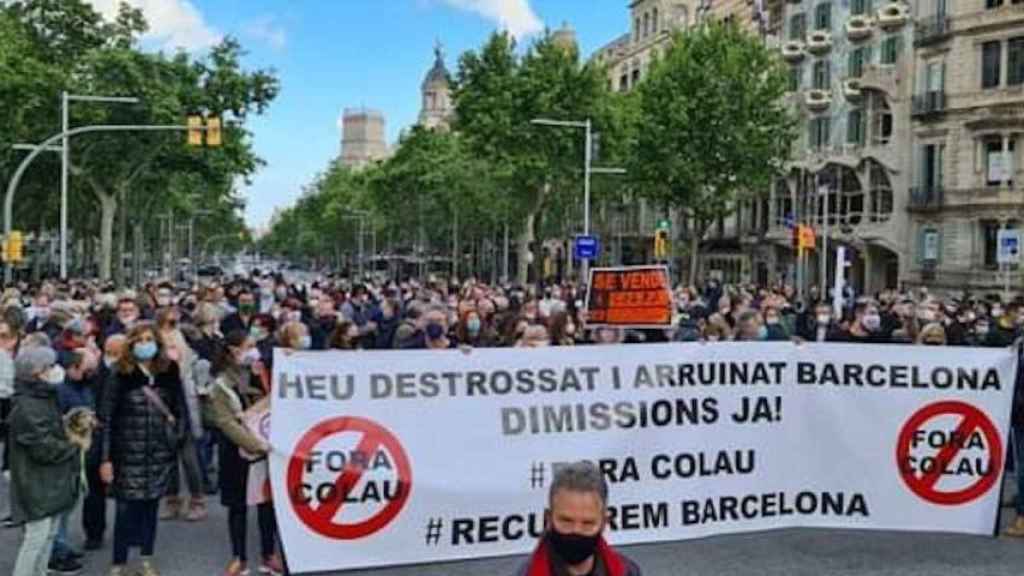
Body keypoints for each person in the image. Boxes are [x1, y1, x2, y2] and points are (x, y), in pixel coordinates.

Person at [100, 323, 186, 576]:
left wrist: (175, 440)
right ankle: (119, 562)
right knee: (125, 511)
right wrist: (105, 459)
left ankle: (146, 560)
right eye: (139, 339)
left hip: (159, 454)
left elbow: (180, 411)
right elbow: (106, 419)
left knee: (150, 509)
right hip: (126, 453)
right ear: (131, 343)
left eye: (149, 339)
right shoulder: (119, 373)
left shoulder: (169, 371)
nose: (145, 343)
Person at [206, 330, 284, 576]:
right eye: (249, 346)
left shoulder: (258, 373)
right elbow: (226, 423)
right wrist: (255, 444)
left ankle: (268, 554)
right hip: (237, 452)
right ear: (233, 350)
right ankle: (239, 557)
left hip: (264, 449)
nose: (255, 350)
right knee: (237, 506)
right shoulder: (220, 384)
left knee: (266, 504)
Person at [9, 346, 84, 576]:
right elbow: (43, 448)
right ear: (36, 373)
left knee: (47, 536)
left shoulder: (42, 397)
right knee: (36, 539)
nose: (55, 370)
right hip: (37, 482)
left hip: (47, 480)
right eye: (49, 367)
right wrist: (75, 445)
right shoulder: (28, 405)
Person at [516, 461, 641, 576]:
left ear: (604, 523)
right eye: (566, 521)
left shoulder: (628, 572)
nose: (576, 530)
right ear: (548, 519)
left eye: (587, 523)